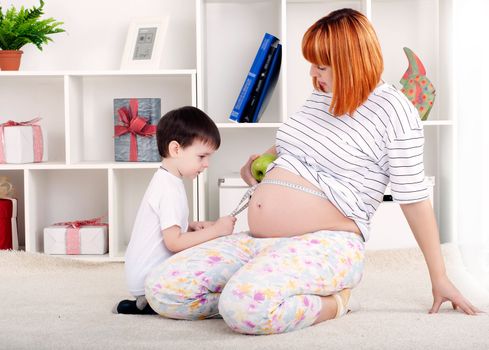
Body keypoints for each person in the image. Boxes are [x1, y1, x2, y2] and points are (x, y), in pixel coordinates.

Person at [143, 8, 480, 333]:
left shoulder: (395, 111)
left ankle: (336, 302)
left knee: (243, 308)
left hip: (328, 243)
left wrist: (440, 276)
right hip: (263, 241)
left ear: (352, 63)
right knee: (163, 289)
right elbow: (297, 150)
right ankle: (263, 287)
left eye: (321, 66)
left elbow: (415, 199)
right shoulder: (322, 95)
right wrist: (262, 171)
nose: (313, 75)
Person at [115, 106, 236, 314]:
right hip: (152, 281)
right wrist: (216, 231)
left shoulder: (167, 180)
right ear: (176, 149)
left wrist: (190, 226)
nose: (206, 164)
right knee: (214, 271)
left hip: (147, 277)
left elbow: (166, 230)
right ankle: (151, 302)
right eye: (201, 156)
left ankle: (145, 303)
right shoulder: (168, 188)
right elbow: (173, 242)